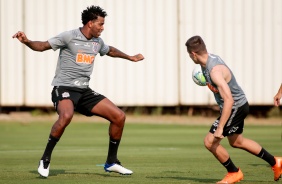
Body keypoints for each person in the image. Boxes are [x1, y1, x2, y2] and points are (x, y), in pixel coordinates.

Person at [13, 5, 144, 178]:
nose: (102, 28)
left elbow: (109, 50)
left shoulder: (97, 42)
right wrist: (27, 41)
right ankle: (45, 159)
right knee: (66, 116)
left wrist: (130, 57)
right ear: (90, 23)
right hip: (64, 88)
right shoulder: (69, 36)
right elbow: (43, 46)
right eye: (100, 24)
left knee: (119, 116)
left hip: (84, 91)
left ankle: (112, 162)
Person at [185, 35, 281, 183]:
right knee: (237, 142)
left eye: (189, 55)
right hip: (240, 105)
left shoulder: (214, 71)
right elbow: (223, 85)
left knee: (210, 142)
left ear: (193, 54)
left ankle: (234, 172)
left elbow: (229, 100)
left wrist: (220, 127)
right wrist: (215, 87)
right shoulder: (211, 59)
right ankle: (275, 162)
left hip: (235, 106)